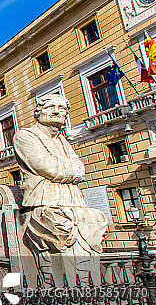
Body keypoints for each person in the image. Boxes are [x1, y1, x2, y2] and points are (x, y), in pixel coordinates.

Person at [13, 94, 107, 287]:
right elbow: (47, 167)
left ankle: (88, 287)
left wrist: (63, 169)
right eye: (50, 107)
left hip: (73, 200)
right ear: (38, 112)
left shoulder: (63, 140)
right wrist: (67, 169)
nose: (56, 111)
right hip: (43, 202)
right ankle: (66, 289)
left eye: (62, 108)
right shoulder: (25, 136)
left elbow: (81, 169)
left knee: (96, 220)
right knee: (61, 232)